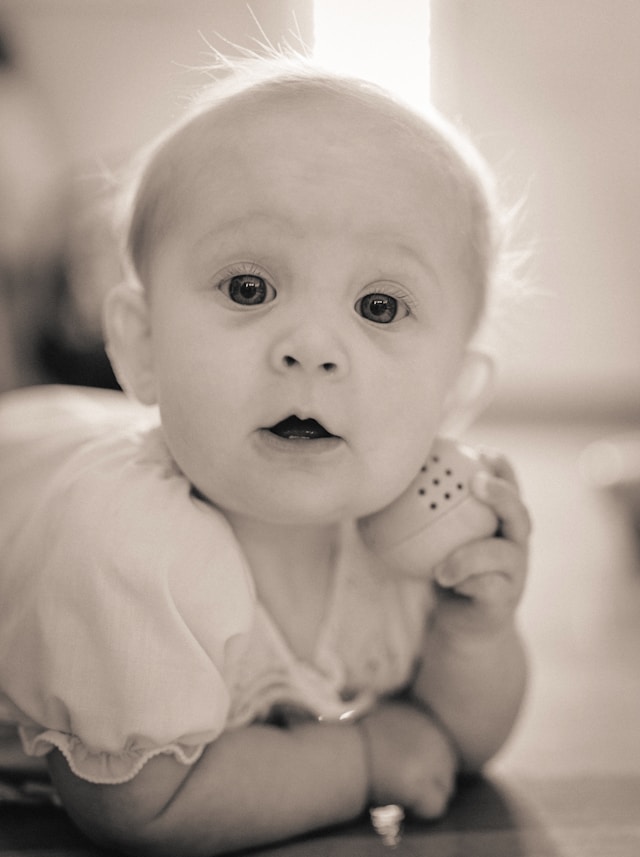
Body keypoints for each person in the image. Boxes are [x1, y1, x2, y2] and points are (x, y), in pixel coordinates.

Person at [0, 55, 531, 856]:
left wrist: (474, 633)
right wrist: (359, 759)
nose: (312, 347)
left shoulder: (407, 528)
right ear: (140, 348)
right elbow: (139, 806)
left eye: (379, 305)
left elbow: (453, 741)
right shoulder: (128, 543)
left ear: (454, 390)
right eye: (249, 288)